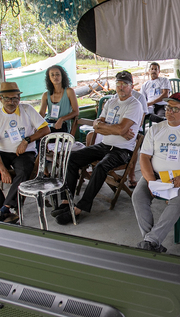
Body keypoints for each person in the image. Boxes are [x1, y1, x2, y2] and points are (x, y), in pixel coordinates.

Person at [56, 70, 144, 224]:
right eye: (118, 84)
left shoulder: (134, 105)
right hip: (104, 145)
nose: (121, 87)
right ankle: (66, 201)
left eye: (125, 84)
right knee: (71, 158)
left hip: (122, 150)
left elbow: (119, 129)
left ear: (131, 87)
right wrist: (114, 129)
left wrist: (110, 128)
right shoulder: (110, 102)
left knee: (101, 167)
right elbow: (97, 126)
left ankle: (79, 208)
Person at [131, 93, 180, 253]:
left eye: (174, 109)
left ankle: (150, 241)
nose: (169, 112)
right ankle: (151, 240)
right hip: (155, 175)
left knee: (177, 201)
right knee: (138, 196)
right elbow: (144, 157)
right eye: (168, 108)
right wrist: (151, 180)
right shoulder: (155, 129)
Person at [0, 81, 50, 223]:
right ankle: (3, 208)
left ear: (19, 98)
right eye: (8, 98)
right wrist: (3, 170)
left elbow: (45, 129)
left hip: (25, 152)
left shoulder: (27, 110)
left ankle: (5, 209)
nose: (12, 102)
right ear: (1, 99)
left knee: (24, 171)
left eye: (15, 98)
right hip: (3, 152)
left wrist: (27, 140)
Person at [38, 65, 79, 134]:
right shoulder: (46, 95)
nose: (55, 77)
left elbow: (76, 112)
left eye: (57, 74)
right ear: (49, 78)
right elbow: (41, 114)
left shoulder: (69, 91)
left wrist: (62, 119)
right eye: (52, 75)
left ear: (62, 76)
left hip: (62, 124)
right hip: (49, 123)